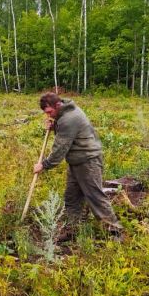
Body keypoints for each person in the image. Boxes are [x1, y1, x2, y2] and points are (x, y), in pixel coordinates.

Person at [33, 92, 122, 239]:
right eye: (46, 113)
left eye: (50, 112)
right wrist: (54, 125)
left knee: (95, 196)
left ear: (57, 105)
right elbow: (67, 132)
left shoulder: (69, 119)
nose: (48, 115)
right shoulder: (65, 111)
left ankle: (114, 232)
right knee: (72, 197)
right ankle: (72, 231)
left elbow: (60, 148)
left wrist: (44, 165)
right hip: (76, 161)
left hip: (88, 161)